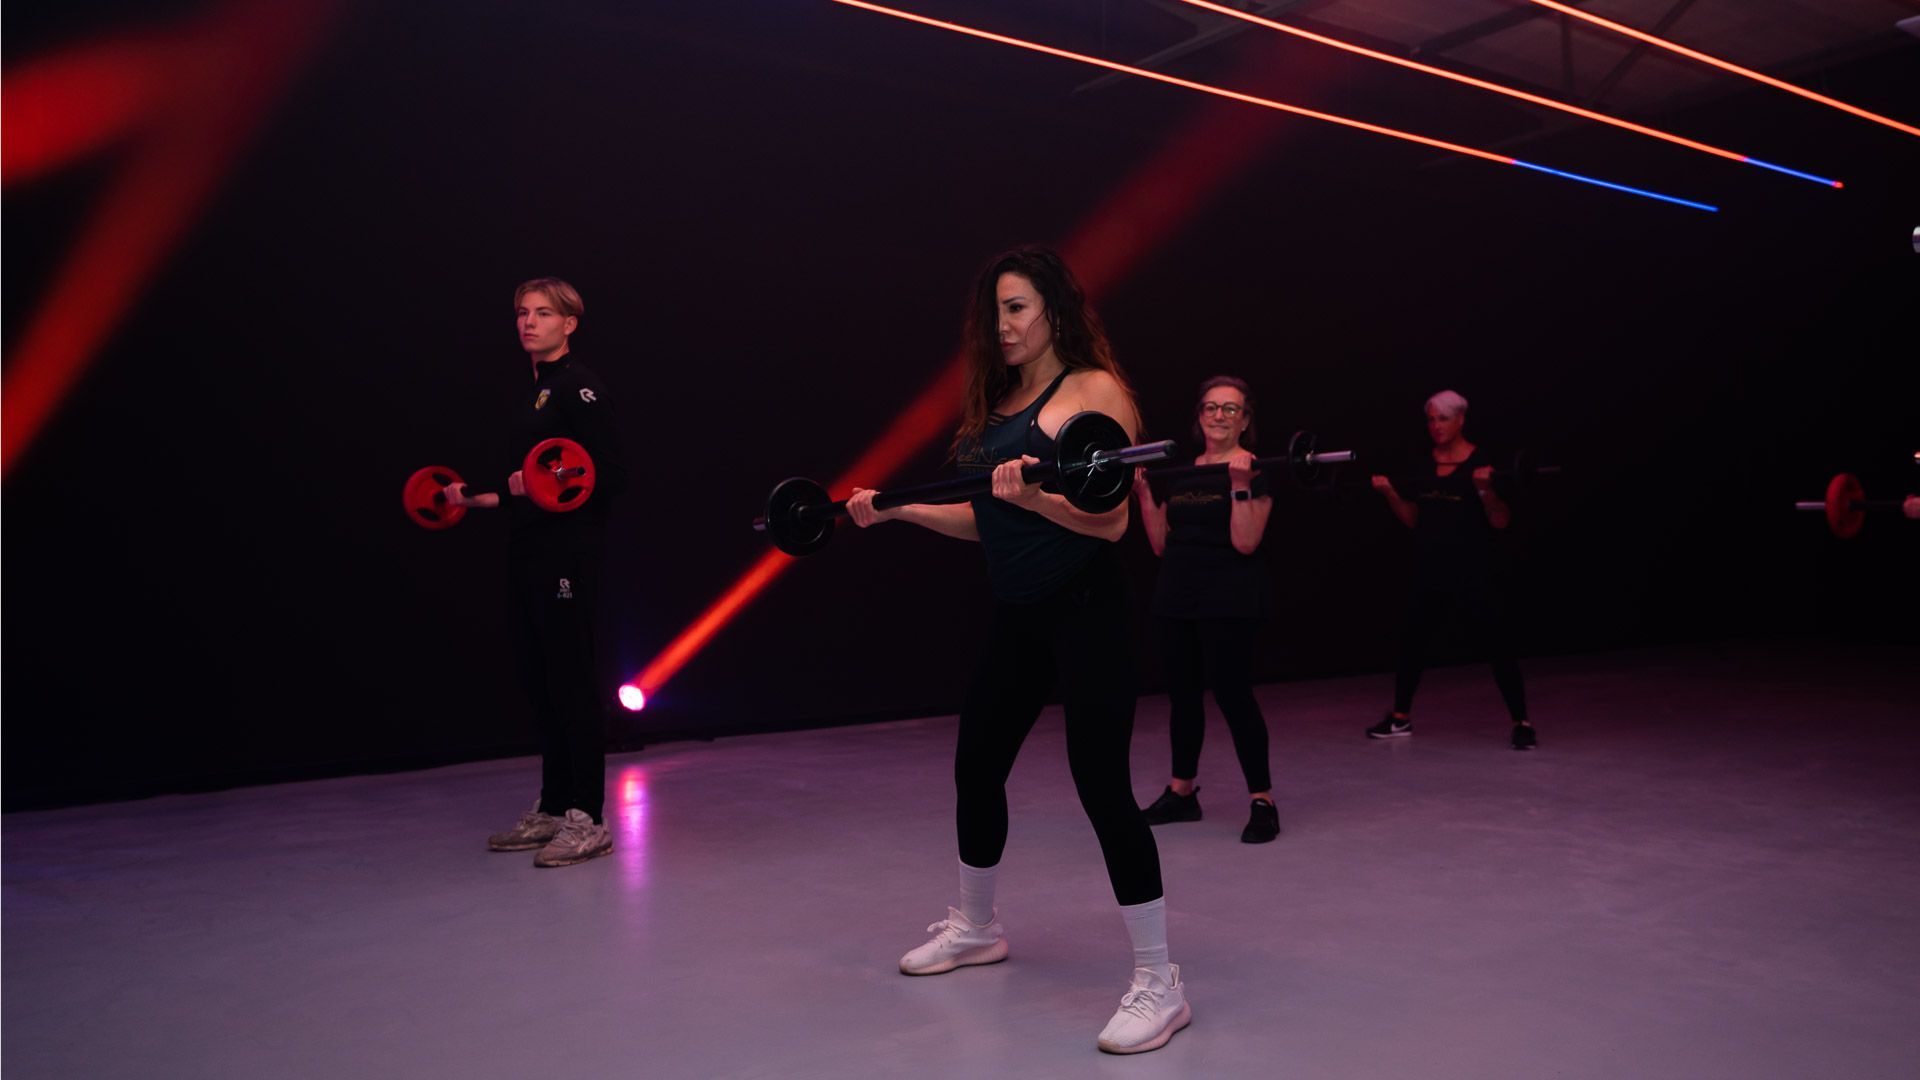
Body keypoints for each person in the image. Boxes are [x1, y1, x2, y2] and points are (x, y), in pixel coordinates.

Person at [846, 246, 1190, 1054]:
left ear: (1055, 312)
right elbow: (986, 517)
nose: (1002, 325)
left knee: (1103, 791)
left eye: (1018, 307)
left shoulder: (1093, 392)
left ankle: (1161, 983)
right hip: (1019, 612)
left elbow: (1106, 524)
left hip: (1086, 608)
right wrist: (898, 513)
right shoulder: (1001, 404)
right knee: (975, 766)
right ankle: (977, 926)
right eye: (995, 310)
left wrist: (1039, 493)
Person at [448, 278, 629, 865]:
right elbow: (534, 482)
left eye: (543, 313)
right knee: (540, 679)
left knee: (572, 680)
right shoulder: (537, 391)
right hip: (528, 547)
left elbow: (606, 476)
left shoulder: (578, 390)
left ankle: (588, 818)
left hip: (566, 554)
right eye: (522, 313)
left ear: (570, 323)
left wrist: (556, 487)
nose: (529, 322)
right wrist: (477, 500)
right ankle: (552, 808)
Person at [1131, 376, 1279, 843]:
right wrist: (1143, 497)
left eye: (1231, 409)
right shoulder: (1182, 472)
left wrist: (1238, 486)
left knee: (1234, 697)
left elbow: (1245, 541)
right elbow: (1159, 545)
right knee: (1183, 698)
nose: (1219, 415)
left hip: (1228, 598)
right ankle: (1182, 792)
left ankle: (1263, 800)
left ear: (1246, 420)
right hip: (1176, 596)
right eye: (1212, 407)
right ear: (1199, 417)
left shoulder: (1256, 471)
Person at [1367, 389, 1535, 750]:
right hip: (1430, 571)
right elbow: (1414, 520)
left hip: (1475, 571)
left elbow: (1501, 521)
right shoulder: (1422, 465)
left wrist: (1485, 492)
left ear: (1461, 419)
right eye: (1430, 419)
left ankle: (1522, 721)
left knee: (1498, 644)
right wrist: (1391, 495)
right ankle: (1400, 718)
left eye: (1442, 418)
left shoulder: (1483, 464)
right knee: (1412, 642)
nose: (1435, 426)